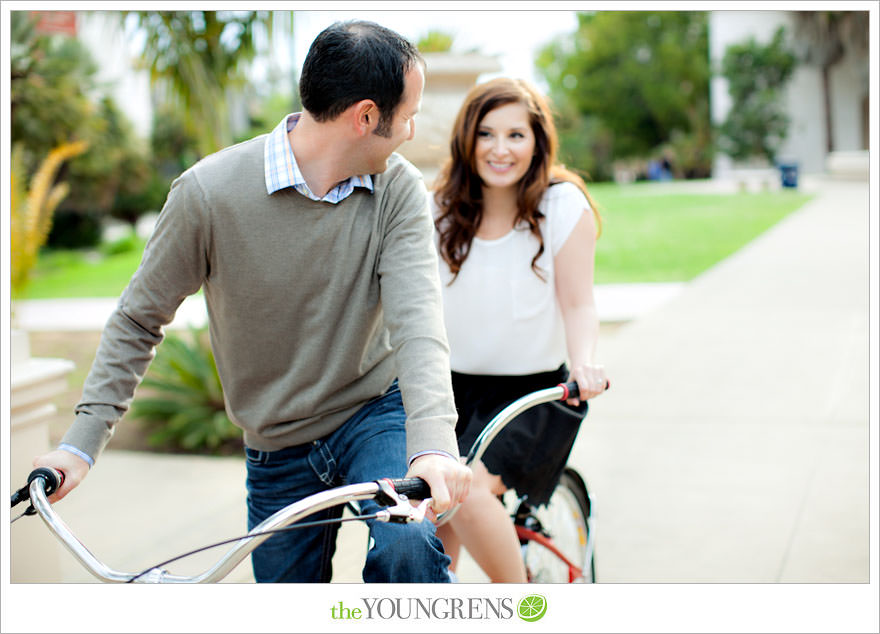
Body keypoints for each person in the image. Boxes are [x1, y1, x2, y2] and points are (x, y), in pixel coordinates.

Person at [33, 20, 471, 584]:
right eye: (408, 115)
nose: (412, 131)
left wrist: (433, 446)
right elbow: (139, 319)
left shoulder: (397, 189)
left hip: (373, 415)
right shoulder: (208, 194)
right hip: (277, 445)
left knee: (408, 545)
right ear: (365, 117)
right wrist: (80, 446)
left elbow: (417, 323)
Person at [431, 77, 608, 582]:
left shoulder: (562, 206)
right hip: (452, 391)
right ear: (467, 140)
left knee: (463, 493)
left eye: (516, 135)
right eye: (486, 134)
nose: (500, 149)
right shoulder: (438, 210)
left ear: (537, 141)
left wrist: (584, 362)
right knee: (429, 511)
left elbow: (578, 304)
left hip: (534, 393)